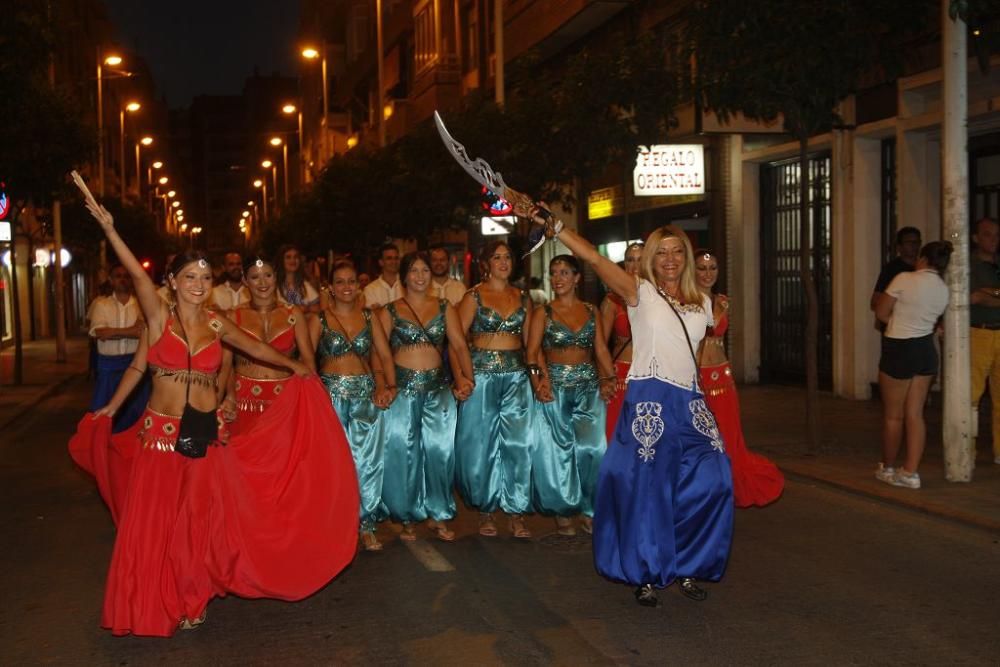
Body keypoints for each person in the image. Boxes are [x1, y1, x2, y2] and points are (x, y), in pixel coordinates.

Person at [69, 200, 359, 637]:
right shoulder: (157, 317)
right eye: (190, 277)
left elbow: (257, 349)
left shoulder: (218, 325)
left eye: (205, 278)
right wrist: (110, 230)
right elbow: (136, 355)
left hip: (203, 432)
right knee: (157, 522)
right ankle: (153, 598)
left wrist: (299, 368)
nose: (199, 285)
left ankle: (192, 596)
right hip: (160, 433)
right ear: (172, 281)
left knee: (196, 522)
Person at [530, 208, 732, 608]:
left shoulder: (702, 302)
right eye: (662, 252)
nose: (670, 259)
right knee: (647, 488)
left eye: (677, 252)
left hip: (690, 401)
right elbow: (593, 258)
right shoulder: (639, 291)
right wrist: (555, 229)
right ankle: (646, 572)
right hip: (649, 400)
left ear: (686, 258)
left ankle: (688, 562)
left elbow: (699, 351)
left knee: (714, 479)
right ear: (652, 259)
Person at [375, 251, 474, 541]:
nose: (420, 276)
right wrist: (382, 384)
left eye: (425, 271)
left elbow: (458, 346)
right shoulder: (390, 311)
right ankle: (406, 516)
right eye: (414, 271)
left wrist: (467, 378)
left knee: (441, 454)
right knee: (404, 454)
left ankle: (439, 514)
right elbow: (377, 354)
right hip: (402, 392)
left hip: (438, 391)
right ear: (404, 276)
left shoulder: (445, 308)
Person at [455, 240, 538, 539]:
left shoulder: (523, 297)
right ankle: (486, 510)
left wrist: (538, 378)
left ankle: (516, 512)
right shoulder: (473, 296)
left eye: (507, 257)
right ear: (486, 263)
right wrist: (462, 376)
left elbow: (532, 345)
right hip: (482, 377)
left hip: (516, 377)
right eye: (497, 257)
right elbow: (456, 340)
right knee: (482, 444)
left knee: (519, 443)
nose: (503, 262)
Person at [527, 255, 615, 536]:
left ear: (577, 278)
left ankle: (590, 508)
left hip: (588, 388)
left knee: (593, 449)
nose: (558, 278)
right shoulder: (543, 312)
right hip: (554, 388)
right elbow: (532, 352)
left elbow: (600, 349)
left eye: (565, 273)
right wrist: (539, 382)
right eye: (554, 273)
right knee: (556, 451)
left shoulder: (591, 311)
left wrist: (609, 378)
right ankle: (562, 510)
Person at [313, 260, 397, 551]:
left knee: (368, 463)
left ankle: (366, 524)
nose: (347, 287)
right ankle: (333, 523)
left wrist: (388, 386)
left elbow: (385, 355)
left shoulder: (370, 318)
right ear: (330, 288)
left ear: (358, 286)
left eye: (351, 281)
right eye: (340, 282)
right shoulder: (318, 319)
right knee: (332, 463)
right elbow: (308, 363)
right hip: (329, 397)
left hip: (365, 395)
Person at [694, 250, 784, 507]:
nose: (708, 273)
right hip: (697, 379)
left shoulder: (723, 301)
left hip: (722, 377)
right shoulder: (685, 302)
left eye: (712, 268)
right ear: (692, 271)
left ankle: (726, 488)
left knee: (729, 436)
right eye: (702, 268)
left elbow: (720, 342)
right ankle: (703, 490)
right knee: (703, 438)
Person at [875, 241, 953, 488]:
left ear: (922, 258)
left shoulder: (904, 278)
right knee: (915, 415)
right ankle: (910, 472)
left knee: (893, 416)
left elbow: (881, 313)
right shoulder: (943, 288)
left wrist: (895, 321)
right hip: (925, 351)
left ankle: (887, 468)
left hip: (899, 348)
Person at [223, 255, 317, 436]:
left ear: (276, 277)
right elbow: (226, 365)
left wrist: (307, 398)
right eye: (255, 277)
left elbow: (308, 360)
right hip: (244, 400)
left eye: (267, 275)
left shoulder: (293, 313)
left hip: (284, 399)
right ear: (245, 280)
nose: (262, 282)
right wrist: (230, 396)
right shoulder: (233, 316)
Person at [87, 264, 150, 432]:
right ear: (111, 280)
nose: (123, 279)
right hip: (107, 368)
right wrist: (132, 330)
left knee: (135, 417)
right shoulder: (101, 304)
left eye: (126, 276)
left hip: (134, 366)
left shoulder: (142, 306)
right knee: (103, 415)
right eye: (118, 275)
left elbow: (142, 333)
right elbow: (101, 333)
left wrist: (113, 332)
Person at [600, 242, 643, 443]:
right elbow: (599, 344)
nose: (635, 266)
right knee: (619, 436)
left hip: (652, 375)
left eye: (640, 259)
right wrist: (605, 377)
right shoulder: (612, 301)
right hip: (622, 376)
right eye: (630, 260)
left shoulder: (662, 297)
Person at [968, 216, 1000, 466]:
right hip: (978, 332)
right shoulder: (968, 265)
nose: (994, 240)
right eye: (988, 234)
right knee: (972, 396)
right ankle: (966, 449)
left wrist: (989, 293)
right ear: (976, 238)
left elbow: (984, 295)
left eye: (997, 235)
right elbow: (974, 297)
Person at [870, 227, 922, 314]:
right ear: (899, 246)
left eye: (916, 242)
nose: (914, 245)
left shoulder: (923, 268)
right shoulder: (891, 269)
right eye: (909, 242)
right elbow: (876, 301)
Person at [276, 244, 321, 314]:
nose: (293, 260)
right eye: (288, 257)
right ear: (281, 261)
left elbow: (317, 308)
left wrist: (307, 309)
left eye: (296, 257)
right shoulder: (274, 285)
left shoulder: (305, 285)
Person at [363, 243, 403, 308]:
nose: (394, 262)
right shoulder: (370, 290)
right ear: (381, 262)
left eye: (396, 258)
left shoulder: (407, 285)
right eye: (389, 258)